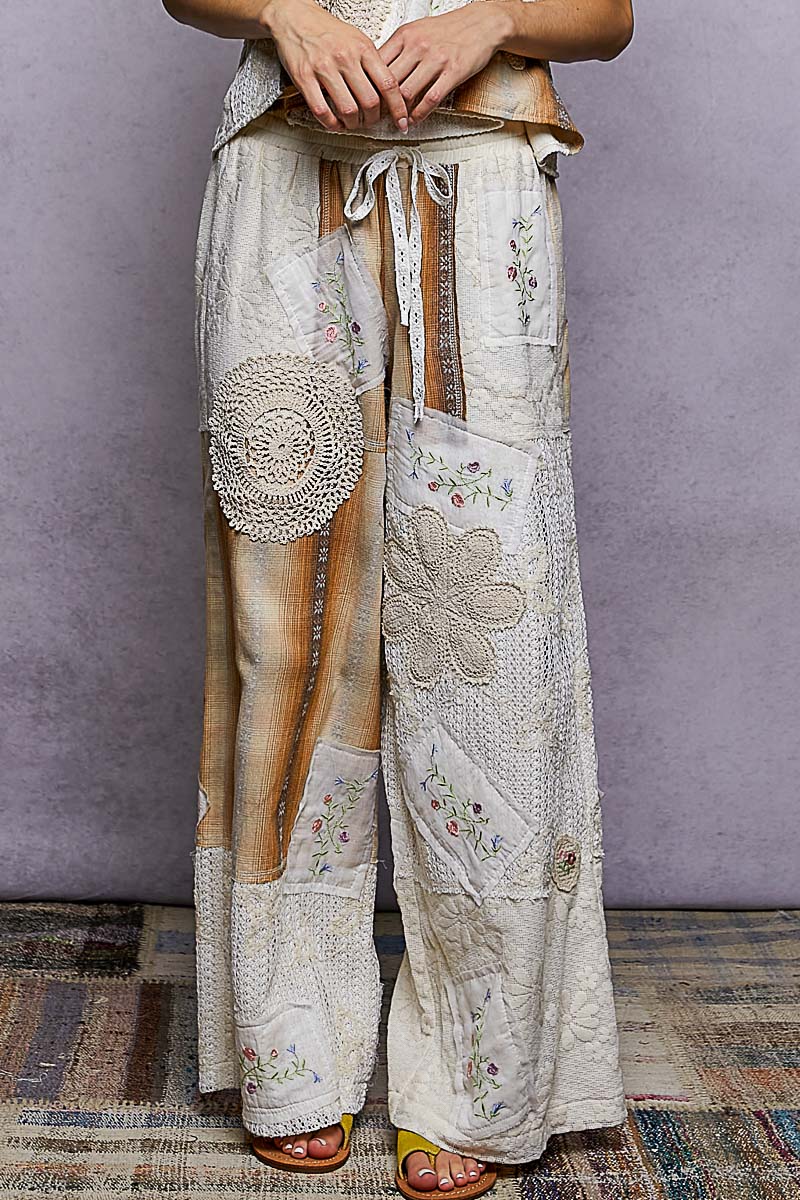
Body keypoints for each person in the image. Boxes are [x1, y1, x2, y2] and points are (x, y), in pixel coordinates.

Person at [164, 0, 634, 1194]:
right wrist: (282, 12)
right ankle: (289, 1058)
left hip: (482, 179)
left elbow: (608, 17)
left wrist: (499, 17)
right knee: (285, 624)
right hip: (283, 169)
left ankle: (480, 1083)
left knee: (487, 642)